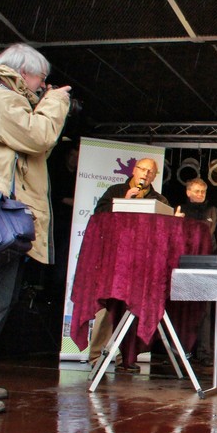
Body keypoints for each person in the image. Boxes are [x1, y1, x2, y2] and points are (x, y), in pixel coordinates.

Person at [0, 43, 71, 415]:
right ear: (22, 72)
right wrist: (55, 102)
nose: (42, 86)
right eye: (40, 79)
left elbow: (34, 151)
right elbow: (39, 137)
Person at [88, 158, 171, 372]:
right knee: (108, 308)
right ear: (134, 170)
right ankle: (96, 356)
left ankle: (126, 358)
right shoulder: (115, 190)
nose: (145, 174)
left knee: (134, 310)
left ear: (155, 176)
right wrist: (124, 201)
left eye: (150, 171)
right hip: (115, 260)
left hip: (142, 263)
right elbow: (99, 216)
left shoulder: (159, 200)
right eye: (142, 169)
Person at [178, 178, 217, 366]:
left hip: (208, 265)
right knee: (184, 310)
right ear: (188, 192)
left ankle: (205, 353)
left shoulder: (213, 211)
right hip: (185, 264)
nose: (200, 195)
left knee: (205, 310)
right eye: (196, 191)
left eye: (203, 191)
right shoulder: (180, 210)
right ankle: (182, 351)